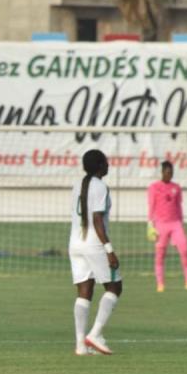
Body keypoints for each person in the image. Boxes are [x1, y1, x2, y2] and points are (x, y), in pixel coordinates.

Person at [70, 149, 122, 356]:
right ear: (100, 165)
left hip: (75, 243)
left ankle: (81, 345)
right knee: (115, 287)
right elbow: (97, 220)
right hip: (94, 244)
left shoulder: (77, 185)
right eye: (106, 162)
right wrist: (109, 250)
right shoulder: (100, 186)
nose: (109, 165)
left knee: (85, 291)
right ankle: (95, 334)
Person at [148, 161, 187, 293]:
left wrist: (181, 223)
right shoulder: (154, 187)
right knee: (160, 254)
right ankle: (160, 284)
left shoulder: (176, 187)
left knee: (185, 250)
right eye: (167, 172)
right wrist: (150, 225)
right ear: (162, 172)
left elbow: (178, 206)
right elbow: (151, 206)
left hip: (176, 224)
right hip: (161, 224)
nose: (169, 175)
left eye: (171, 173)